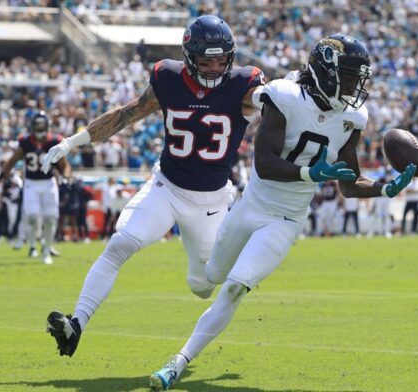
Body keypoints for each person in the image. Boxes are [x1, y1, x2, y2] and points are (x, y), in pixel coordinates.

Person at [149, 34, 416, 390]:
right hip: (251, 205)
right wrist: (310, 173)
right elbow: (265, 161)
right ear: (326, 69)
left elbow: (349, 182)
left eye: (358, 77)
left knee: (233, 288)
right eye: (350, 76)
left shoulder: (353, 116)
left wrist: (384, 188)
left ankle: (177, 363)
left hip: (287, 219)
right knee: (205, 282)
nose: (355, 85)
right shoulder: (284, 96)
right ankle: (197, 245)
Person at [41, 15, 265, 358]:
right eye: (206, 60)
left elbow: (272, 104)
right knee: (120, 243)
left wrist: (282, 94)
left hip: (211, 200)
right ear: (189, 57)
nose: (215, 67)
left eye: (222, 60)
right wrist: (73, 142)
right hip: (167, 186)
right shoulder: (168, 77)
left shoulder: (244, 83)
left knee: (203, 286)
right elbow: (126, 114)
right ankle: (77, 324)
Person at [0, 111, 71, 264]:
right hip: (31, 183)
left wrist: (65, 178)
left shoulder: (54, 141)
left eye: (41, 124)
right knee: (31, 217)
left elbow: (65, 165)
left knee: (50, 218)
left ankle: (46, 251)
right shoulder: (25, 142)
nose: (39, 127)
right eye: (37, 124)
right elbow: (12, 160)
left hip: (49, 182)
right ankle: (32, 246)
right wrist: (2, 174)